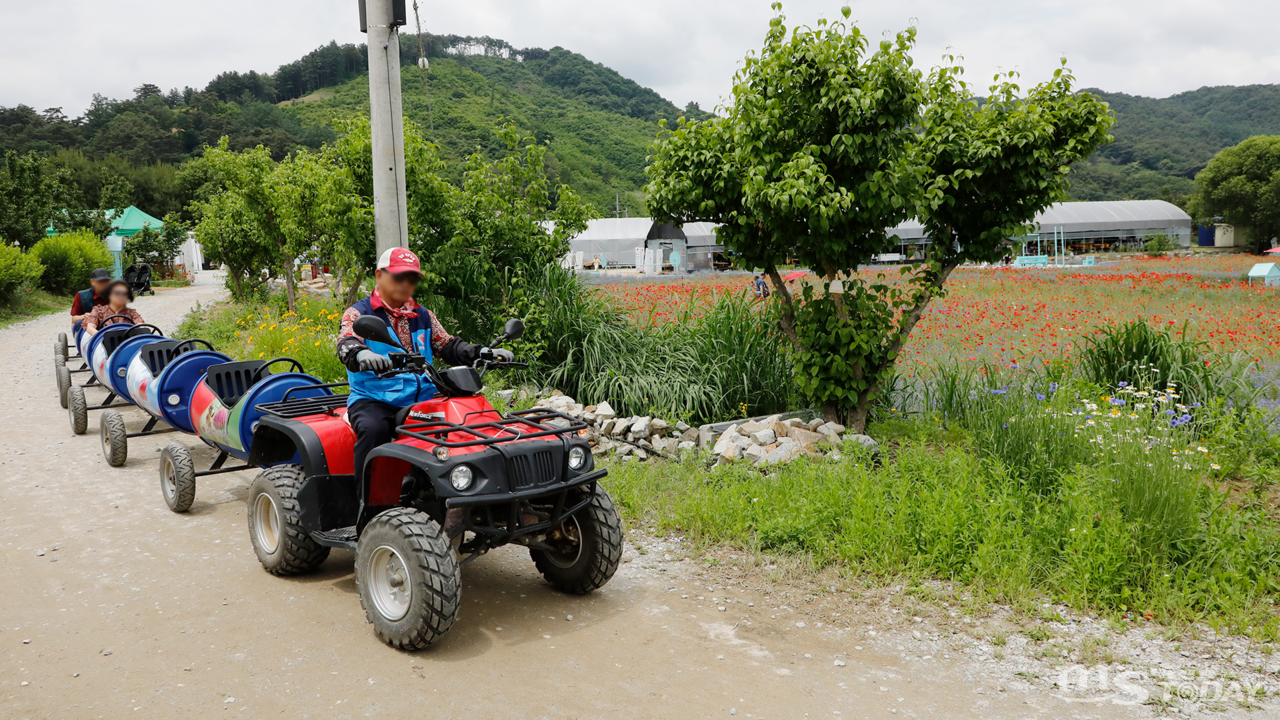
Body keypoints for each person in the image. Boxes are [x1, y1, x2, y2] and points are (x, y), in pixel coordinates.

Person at [335, 248, 514, 484]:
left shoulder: (423, 315)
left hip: (424, 398)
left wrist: (482, 352)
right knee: (373, 430)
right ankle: (368, 504)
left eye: (411, 278)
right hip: (376, 399)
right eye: (399, 277)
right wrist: (361, 354)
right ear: (380, 275)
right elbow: (346, 343)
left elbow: (448, 346)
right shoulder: (359, 313)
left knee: (470, 420)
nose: (405, 283)